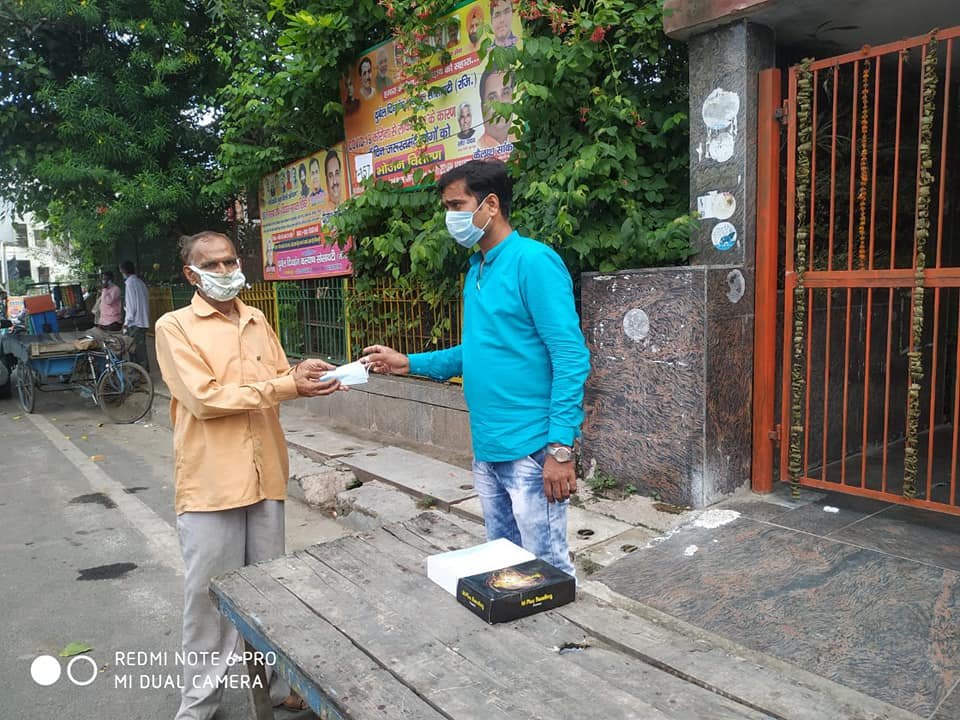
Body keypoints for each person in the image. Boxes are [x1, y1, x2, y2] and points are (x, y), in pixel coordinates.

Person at [362, 160, 589, 578]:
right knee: (505, 568)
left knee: (548, 572)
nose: (450, 217)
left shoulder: (533, 262)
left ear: (491, 204)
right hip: (488, 450)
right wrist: (409, 362)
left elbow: (570, 356)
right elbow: (479, 351)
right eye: (447, 208)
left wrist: (560, 448)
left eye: (457, 205)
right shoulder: (478, 270)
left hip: (531, 450)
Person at [155, 231, 344, 720]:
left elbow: (280, 379)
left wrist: (305, 375)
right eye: (212, 265)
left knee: (268, 590)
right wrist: (283, 385)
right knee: (208, 599)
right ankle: (198, 705)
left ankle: (279, 686)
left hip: (266, 475)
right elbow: (204, 399)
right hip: (212, 483)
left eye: (230, 261)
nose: (225, 271)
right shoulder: (174, 327)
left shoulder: (256, 319)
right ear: (191, 275)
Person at [119, 260, 150, 370]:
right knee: (141, 348)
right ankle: (143, 371)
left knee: (133, 349)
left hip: (135, 322)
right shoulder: (140, 282)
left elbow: (131, 307)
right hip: (143, 320)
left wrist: (126, 322)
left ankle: (139, 372)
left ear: (124, 271)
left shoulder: (130, 284)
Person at [477, 68, 516, 149]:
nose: (500, 103)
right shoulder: (477, 148)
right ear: (482, 108)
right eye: (492, 98)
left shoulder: (520, 140)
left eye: (505, 93)